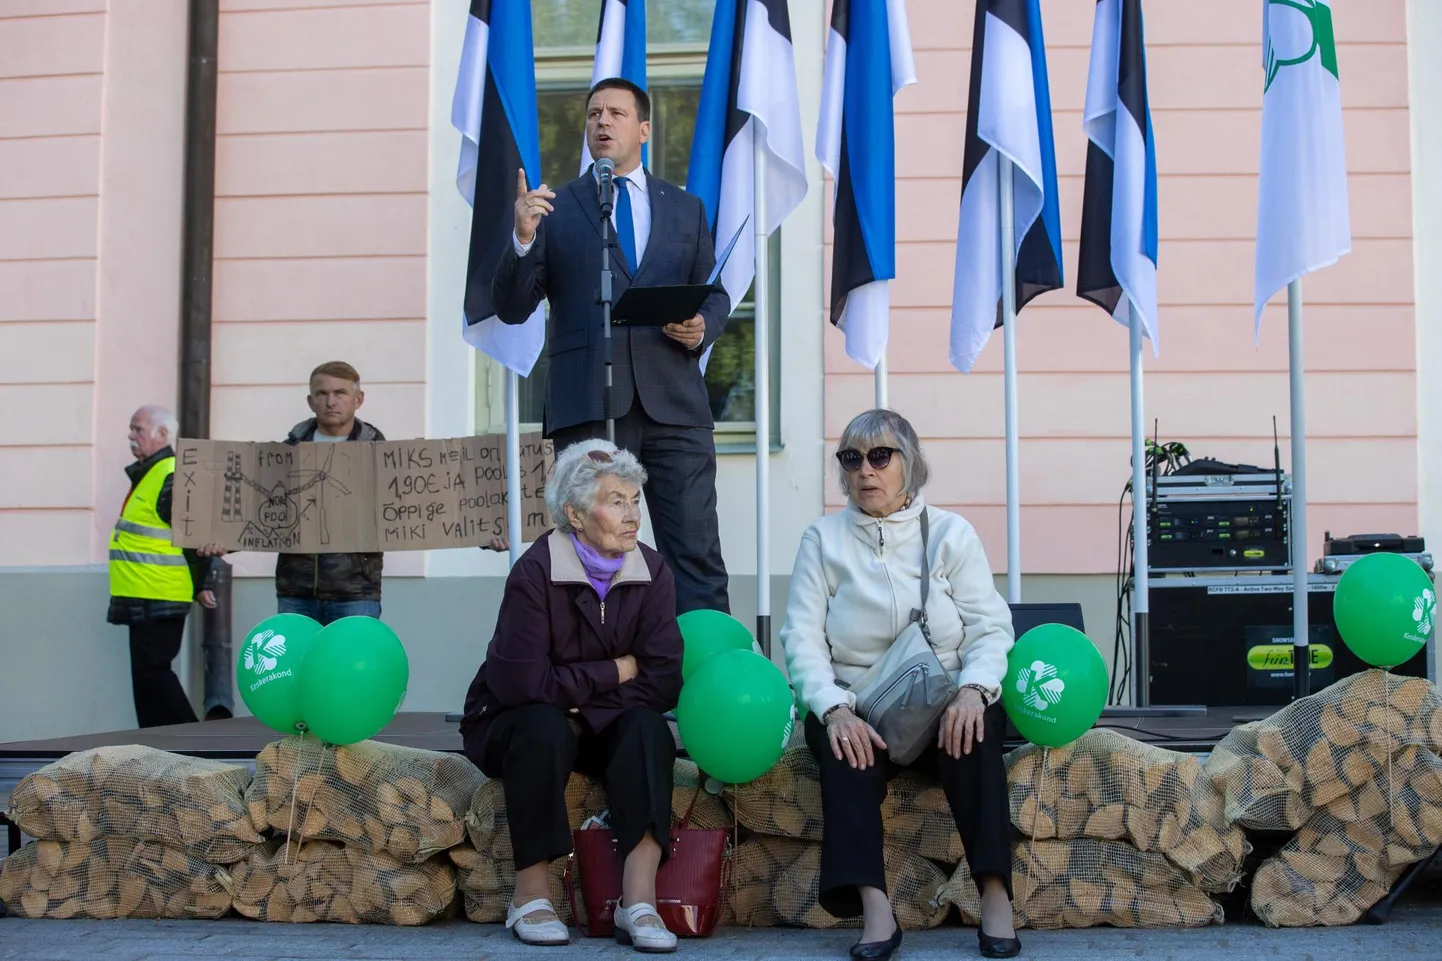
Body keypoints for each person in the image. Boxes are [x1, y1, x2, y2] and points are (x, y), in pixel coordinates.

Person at [780, 409, 1021, 960]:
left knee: (978, 728)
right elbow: (802, 639)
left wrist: (973, 690)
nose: (865, 470)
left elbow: (991, 626)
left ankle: (994, 894)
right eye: (851, 458)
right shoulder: (822, 539)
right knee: (842, 748)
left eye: (880, 456)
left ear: (909, 464)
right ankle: (876, 910)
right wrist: (835, 709)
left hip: (945, 702)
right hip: (861, 706)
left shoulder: (952, 534)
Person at [492, 76, 732, 617]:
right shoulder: (555, 207)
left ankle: (704, 676)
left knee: (695, 550)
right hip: (588, 404)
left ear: (643, 128)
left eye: (616, 113)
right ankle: (601, 679)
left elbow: (713, 293)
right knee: (595, 553)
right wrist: (523, 238)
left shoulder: (684, 208)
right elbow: (512, 307)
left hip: (674, 403)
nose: (603, 122)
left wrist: (701, 326)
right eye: (594, 113)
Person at [459, 439, 683, 952]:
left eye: (634, 501)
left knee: (649, 729)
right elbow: (520, 685)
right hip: (512, 723)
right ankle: (531, 894)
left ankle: (638, 900)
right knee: (542, 724)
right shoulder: (535, 572)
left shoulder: (652, 572)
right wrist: (614, 670)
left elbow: (663, 678)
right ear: (575, 515)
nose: (632, 516)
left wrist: (579, 695)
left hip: (600, 723)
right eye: (616, 501)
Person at [107, 406, 217, 728]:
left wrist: (201, 583)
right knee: (146, 676)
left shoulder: (169, 474)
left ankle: (190, 740)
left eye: (138, 429)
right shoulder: (150, 472)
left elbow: (194, 534)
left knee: (153, 672)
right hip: (144, 592)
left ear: (163, 434)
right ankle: (158, 746)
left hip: (159, 592)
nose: (131, 435)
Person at [275, 361, 386, 624]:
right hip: (296, 591)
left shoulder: (381, 456)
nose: (330, 401)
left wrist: (486, 536)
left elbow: (418, 509)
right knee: (296, 665)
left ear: (358, 399)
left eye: (340, 393)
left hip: (356, 593)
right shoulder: (285, 454)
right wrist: (224, 540)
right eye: (322, 394)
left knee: (353, 666)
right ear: (310, 401)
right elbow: (259, 508)